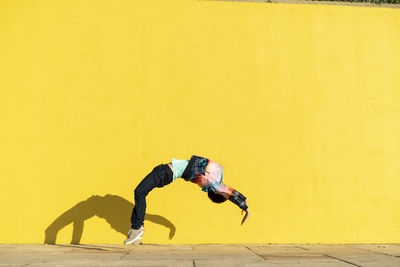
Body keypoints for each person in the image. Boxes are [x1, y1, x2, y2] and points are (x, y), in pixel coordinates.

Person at [124, 155, 250, 245]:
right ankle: (136, 229)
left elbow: (228, 193)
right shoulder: (216, 179)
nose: (201, 185)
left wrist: (244, 207)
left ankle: (137, 228)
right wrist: (244, 202)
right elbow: (230, 191)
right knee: (140, 192)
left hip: (165, 173)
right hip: (164, 172)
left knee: (139, 192)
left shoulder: (212, 183)